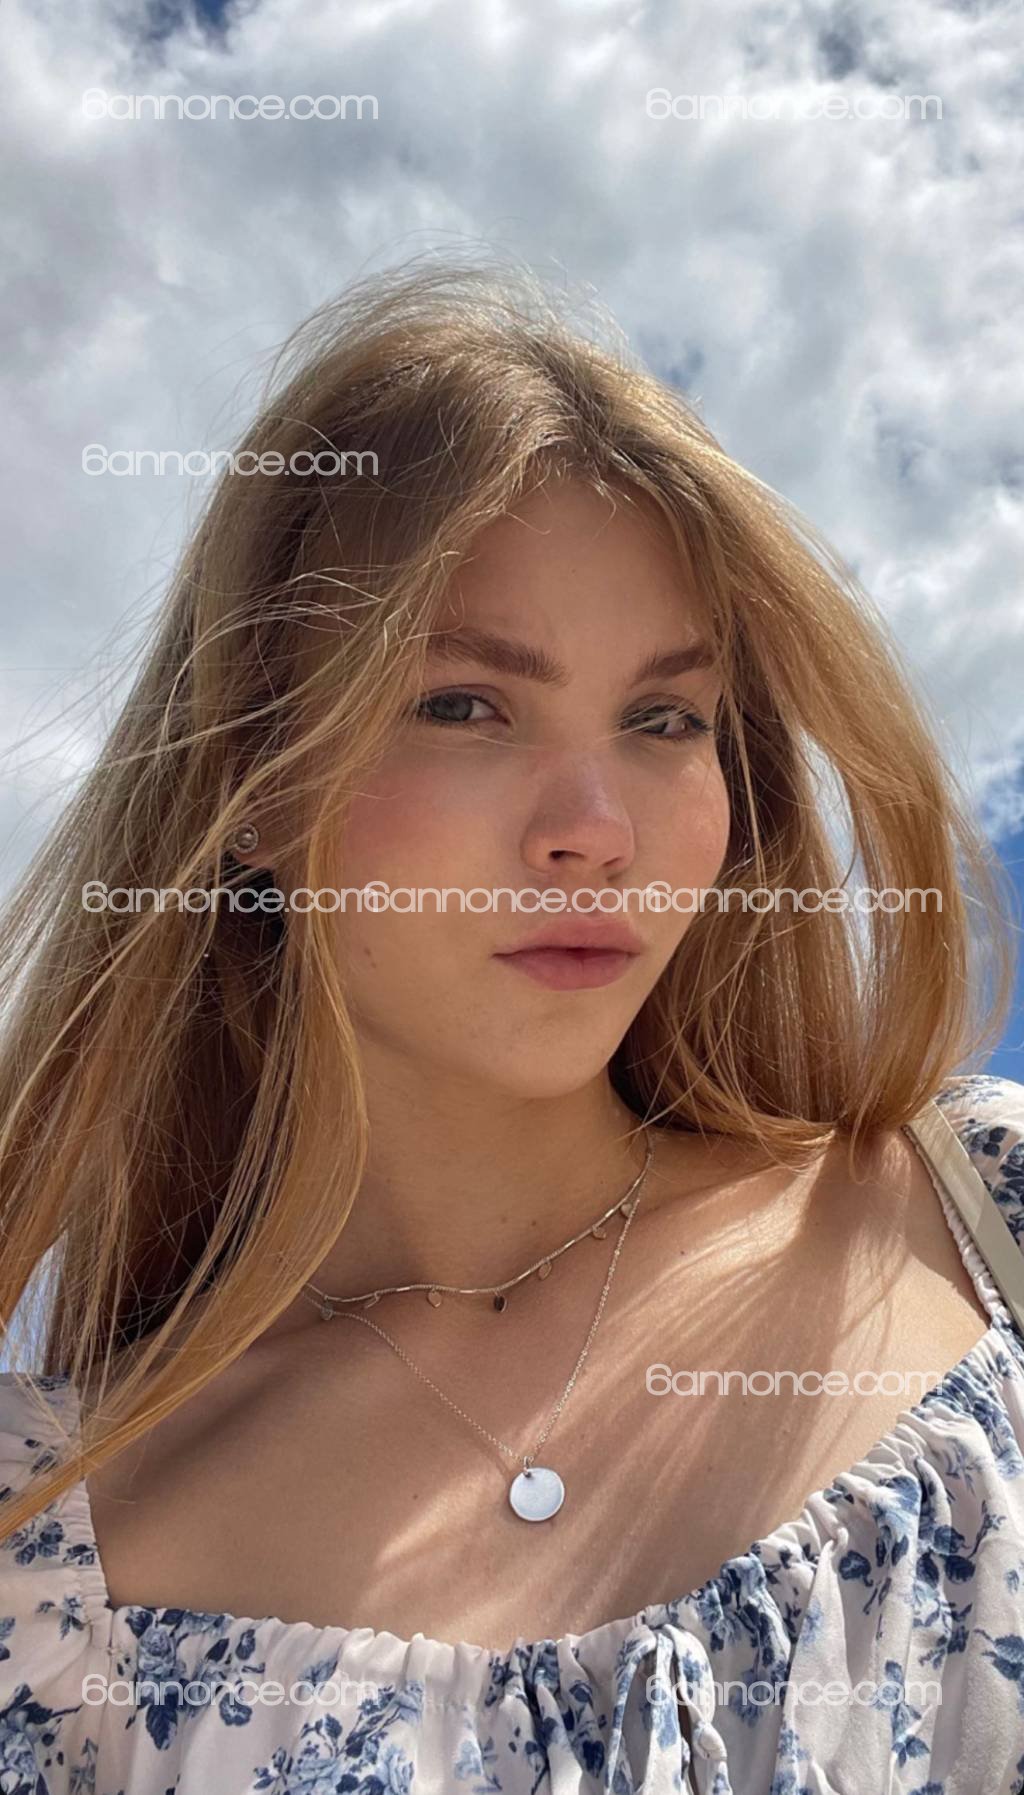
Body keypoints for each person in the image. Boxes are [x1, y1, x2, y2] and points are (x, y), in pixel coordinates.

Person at [1, 254, 1022, 1794]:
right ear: (255, 787)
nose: (594, 830)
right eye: (464, 704)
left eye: (664, 719)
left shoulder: (983, 1220)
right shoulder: (53, 1561)